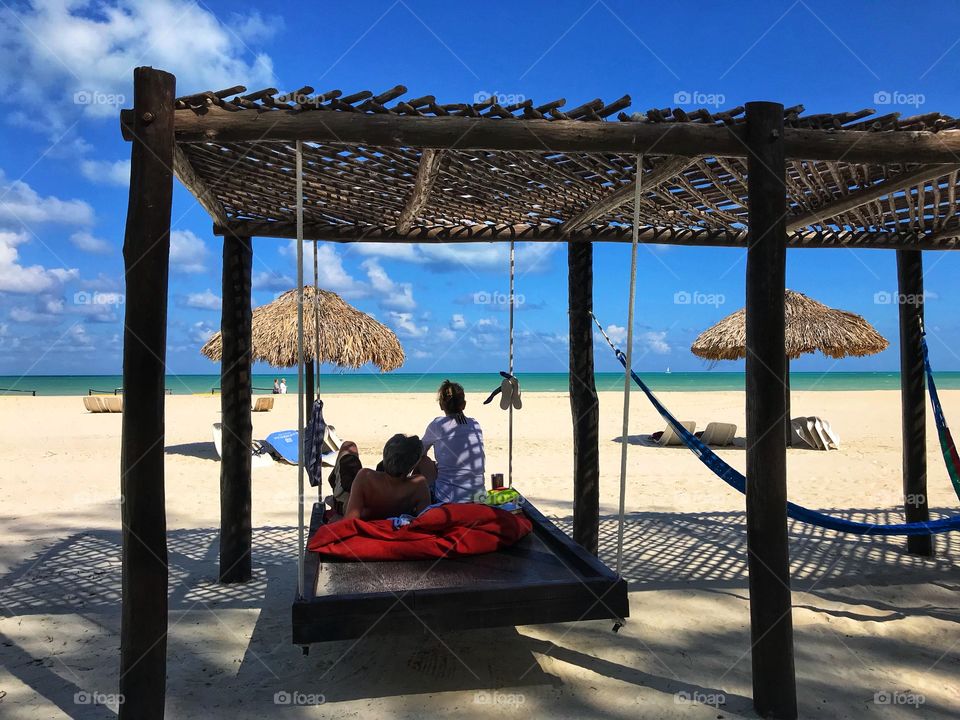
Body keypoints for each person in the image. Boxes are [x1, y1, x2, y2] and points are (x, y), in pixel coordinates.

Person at [342, 434, 435, 521]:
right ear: (412, 465)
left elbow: (350, 520)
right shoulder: (419, 485)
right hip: (392, 523)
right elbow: (424, 522)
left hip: (362, 514)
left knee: (348, 448)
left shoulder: (365, 477)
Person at [422, 380, 485, 503]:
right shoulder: (474, 424)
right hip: (479, 498)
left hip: (447, 499)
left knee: (423, 461)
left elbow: (420, 452)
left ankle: (421, 507)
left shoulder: (438, 425)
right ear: (464, 405)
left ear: (441, 405)